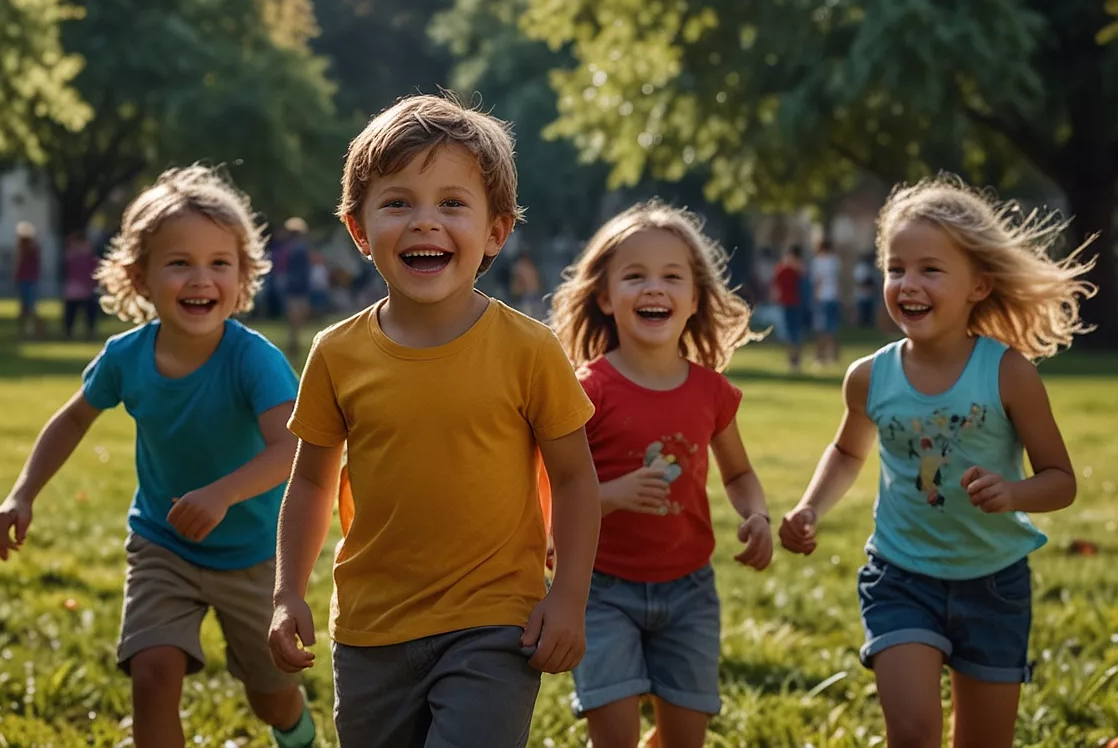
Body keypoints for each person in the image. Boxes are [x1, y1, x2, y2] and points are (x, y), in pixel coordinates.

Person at [267, 95, 601, 748]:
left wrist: (568, 597)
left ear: (496, 232)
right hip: (371, 630)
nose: (426, 223)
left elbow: (574, 479)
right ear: (359, 231)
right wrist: (287, 591)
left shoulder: (529, 350)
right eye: (398, 203)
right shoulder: (337, 353)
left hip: (494, 623)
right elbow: (309, 483)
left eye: (452, 204)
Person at [0, 166, 316, 748]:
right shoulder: (125, 357)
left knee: (270, 694)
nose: (201, 278)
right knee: (152, 673)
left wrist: (222, 494)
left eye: (220, 263)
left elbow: (292, 447)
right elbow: (72, 419)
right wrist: (22, 493)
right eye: (179, 262)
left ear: (242, 276)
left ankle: (296, 733)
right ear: (139, 277)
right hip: (163, 545)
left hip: (253, 555)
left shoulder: (252, 359)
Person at [778, 176, 1086, 748]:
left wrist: (1014, 493)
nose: (907, 284)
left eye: (930, 270)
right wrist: (809, 507)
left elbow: (1061, 481)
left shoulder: (1008, 374)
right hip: (901, 576)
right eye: (896, 269)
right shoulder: (870, 376)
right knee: (914, 734)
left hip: (993, 584)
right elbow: (848, 451)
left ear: (978, 285)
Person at [547, 202, 773, 748]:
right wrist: (612, 494)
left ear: (694, 299)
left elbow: (739, 473)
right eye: (635, 276)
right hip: (599, 589)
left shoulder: (711, 392)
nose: (655, 289)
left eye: (672, 277)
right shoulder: (588, 391)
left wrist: (758, 514)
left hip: (689, 591)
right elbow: (553, 491)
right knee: (615, 736)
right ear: (604, 297)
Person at [279, 218, 313, 359]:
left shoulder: (290, 248)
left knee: (294, 318)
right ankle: (294, 344)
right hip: (300, 287)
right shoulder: (301, 248)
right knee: (297, 317)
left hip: (292, 286)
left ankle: (294, 343)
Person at [772, 245, 807, 372]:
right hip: (789, 303)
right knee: (791, 333)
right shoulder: (788, 269)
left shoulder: (792, 269)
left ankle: (795, 360)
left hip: (794, 303)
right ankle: (793, 360)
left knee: (794, 333)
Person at [62, 228, 101, 340]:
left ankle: (69, 332)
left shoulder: (71, 255)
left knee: (72, 313)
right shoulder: (88, 254)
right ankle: (90, 332)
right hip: (85, 288)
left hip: (74, 289)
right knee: (88, 313)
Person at [811, 238, 843, 365]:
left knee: (821, 329)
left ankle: (821, 356)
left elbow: (817, 280)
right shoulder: (835, 261)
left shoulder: (817, 261)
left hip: (822, 297)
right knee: (833, 328)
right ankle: (835, 355)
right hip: (834, 297)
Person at [14, 221, 44, 339]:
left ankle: (35, 331)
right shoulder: (25, 247)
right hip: (26, 279)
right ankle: (25, 332)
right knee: (25, 308)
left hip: (29, 280)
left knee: (30, 308)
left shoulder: (31, 247)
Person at [511, 247, 545, 320]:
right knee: (528, 316)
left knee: (536, 315)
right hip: (526, 295)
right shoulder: (520, 267)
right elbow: (518, 282)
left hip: (533, 294)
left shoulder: (530, 266)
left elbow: (537, 280)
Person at [854, 251, 878, 329]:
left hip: (870, 294)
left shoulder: (872, 268)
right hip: (862, 295)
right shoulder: (861, 268)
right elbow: (860, 281)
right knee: (862, 313)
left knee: (869, 314)